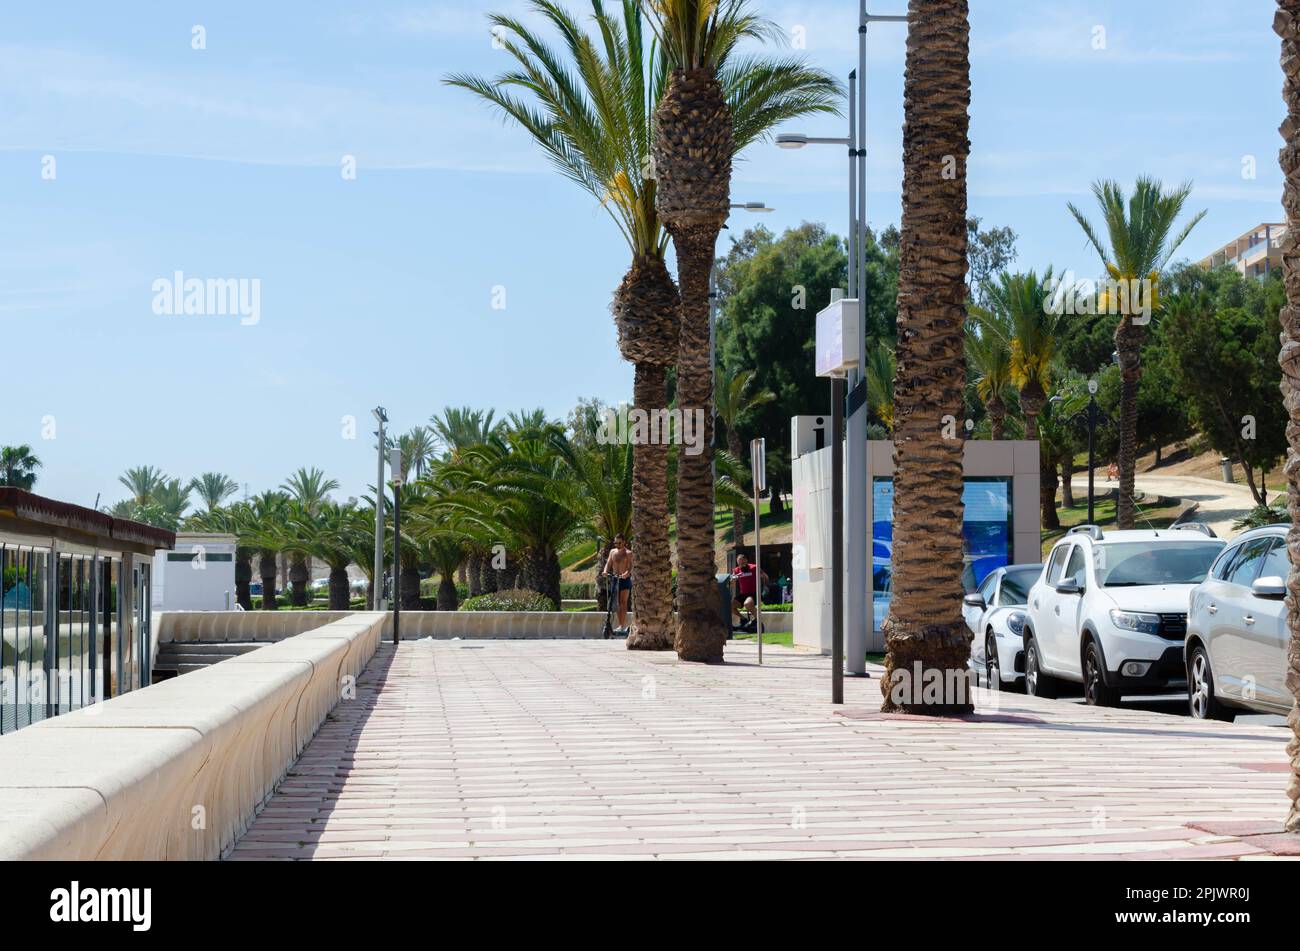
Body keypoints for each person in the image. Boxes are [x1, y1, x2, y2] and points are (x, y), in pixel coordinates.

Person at [602, 534, 633, 635]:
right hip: (615, 578)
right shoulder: (612, 552)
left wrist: (626, 574)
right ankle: (619, 625)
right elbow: (608, 563)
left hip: (625, 579)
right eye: (615, 543)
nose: (617, 545)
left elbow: (630, 568)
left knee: (623, 602)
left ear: (624, 542)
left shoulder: (628, 553)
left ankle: (622, 626)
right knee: (616, 603)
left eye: (619, 543)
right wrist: (605, 571)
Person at [731, 553, 768, 626]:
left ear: (746, 561)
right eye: (740, 563)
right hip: (743, 594)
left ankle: (757, 620)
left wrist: (765, 587)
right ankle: (743, 619)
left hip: (753, 593)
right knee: (730, 605)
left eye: (743, 563)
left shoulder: (754, 568)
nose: (742, 565)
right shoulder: (736, 570)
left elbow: (765, 577)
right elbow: (732, 583)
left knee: (747, 604)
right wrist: (733, 580)